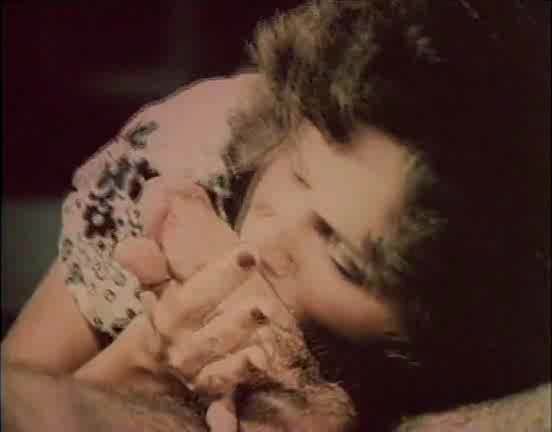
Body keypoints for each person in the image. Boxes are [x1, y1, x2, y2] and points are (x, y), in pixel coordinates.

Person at [2, 0, 549, 430]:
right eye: (298, 175)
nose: (267, 239)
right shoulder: (184, 155)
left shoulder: (502, 342)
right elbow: (18, 394)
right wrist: (145, 362)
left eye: (342, 258)